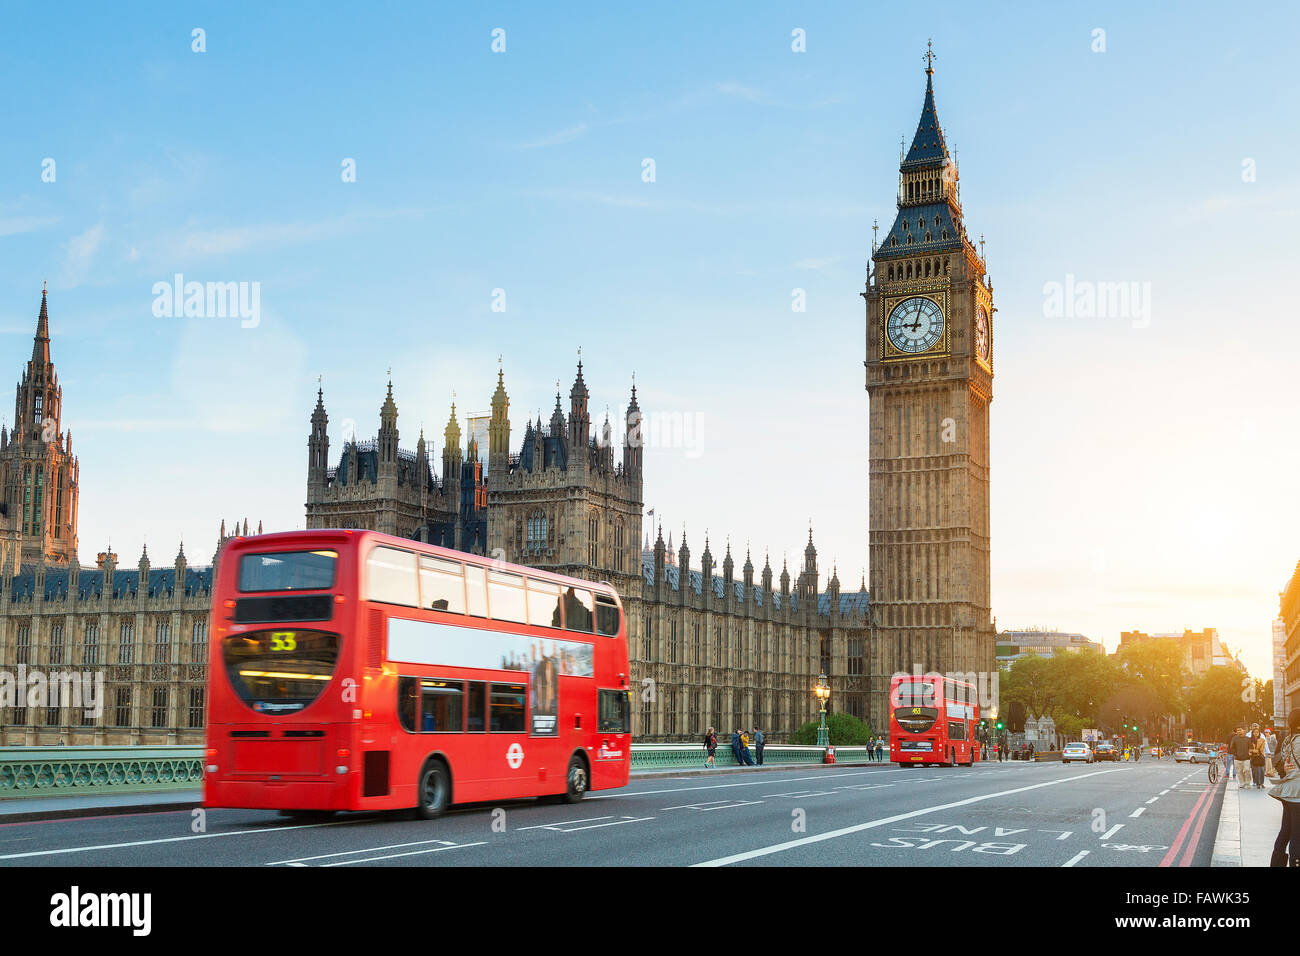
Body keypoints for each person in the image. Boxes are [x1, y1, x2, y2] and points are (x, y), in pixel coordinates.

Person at [1267, 710, 1300, 866]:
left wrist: (1287, 768)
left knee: (1285, 832)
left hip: (1288, 792)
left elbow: (1278, 763)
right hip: (1298, 793)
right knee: (1297, 836)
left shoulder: (1288, 739)